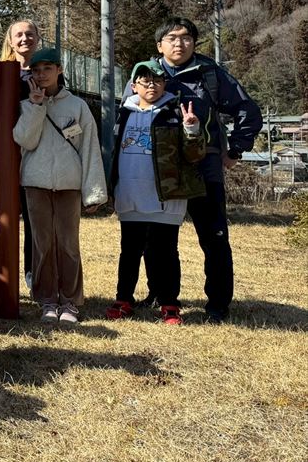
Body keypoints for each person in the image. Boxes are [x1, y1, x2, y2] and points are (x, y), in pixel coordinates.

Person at [140, 17, 262, 323]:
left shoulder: (210, 73)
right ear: (159, 45)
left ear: (194, 43)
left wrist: (235, 149)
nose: (179, 43)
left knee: (214, 237)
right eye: (171, 38)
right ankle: (161, 295)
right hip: (160, 168)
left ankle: (218, 304)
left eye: (186, 38)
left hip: (204, 166)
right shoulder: (149, 73)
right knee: (157, 238)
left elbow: (247, 109)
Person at [107, 60, 205, 326]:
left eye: (158, 80)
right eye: (145, 80)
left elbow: (194, 155)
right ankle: (123, 299)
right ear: (134, 85)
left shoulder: (174, 112)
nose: (152, 85)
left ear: (165, 84)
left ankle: (170, 304)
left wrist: (192, 129)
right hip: (130, 194)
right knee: (129, 252)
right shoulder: (123, 113)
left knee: (166, 253)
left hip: (166, 196)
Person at [13, 48, 106, 324]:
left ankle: (70, 302)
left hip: (69, 184)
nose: (42, 75)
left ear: (59, 70)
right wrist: (36, 107)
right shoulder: (26, 104)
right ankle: (47, 301)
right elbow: (24, 140)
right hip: (35, 183)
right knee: (42, 244)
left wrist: (94, 192)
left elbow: (89, 148)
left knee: (68, 244)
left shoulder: (77, 106)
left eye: (47, 69)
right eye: (36, 70)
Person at [0, 18, 41, 291]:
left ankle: (33, 275)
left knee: (34, 222)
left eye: (30, 34)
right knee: (1, 220)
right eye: (19, 35)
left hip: (35, 153)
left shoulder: (47, 72)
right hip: (3, 155)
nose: (25, 39)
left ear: (37, 38)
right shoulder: (1, 71)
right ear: (10, 41)